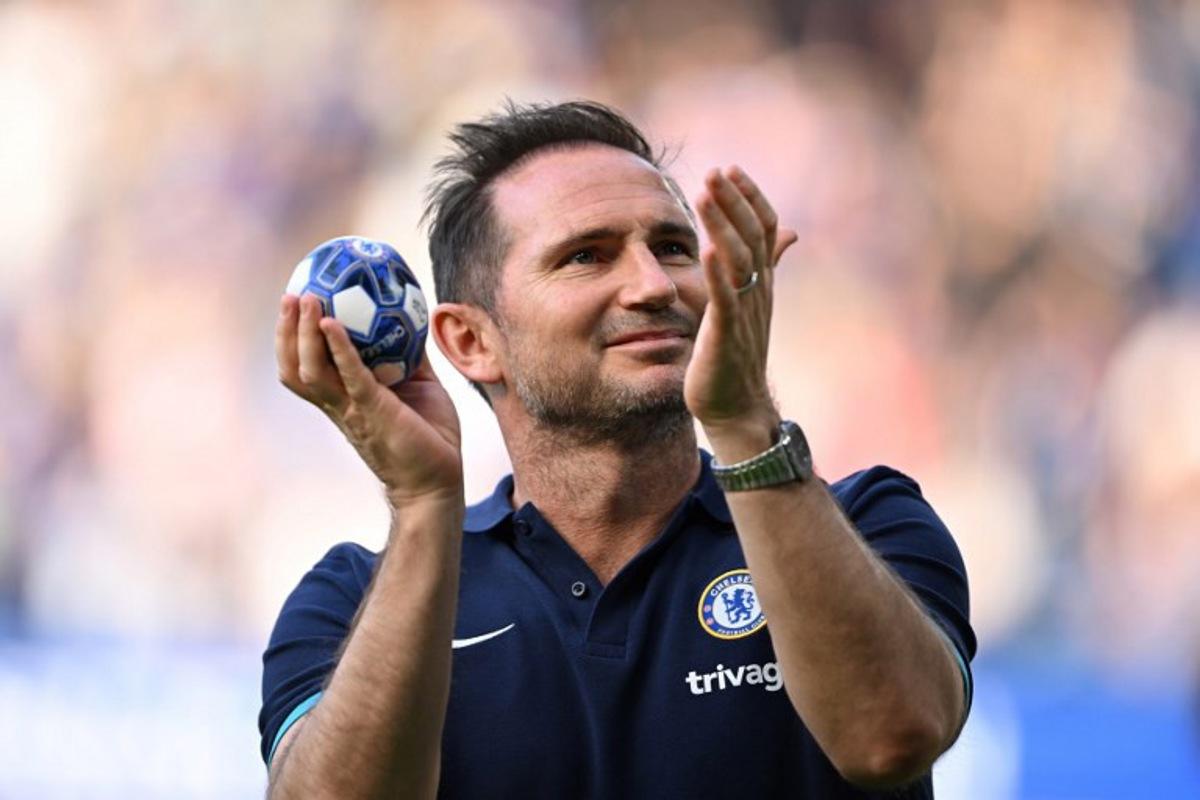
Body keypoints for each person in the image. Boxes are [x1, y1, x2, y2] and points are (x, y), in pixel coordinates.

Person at [260, 100, 975, 799]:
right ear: (471, 342)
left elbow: (891, 740)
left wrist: (742, 423)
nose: (654, 285)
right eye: (586, 256)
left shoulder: (870, 522)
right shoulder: (350, 600)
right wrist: (422, 505)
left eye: (671, 247)